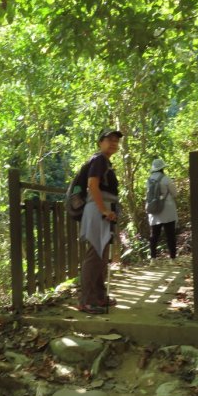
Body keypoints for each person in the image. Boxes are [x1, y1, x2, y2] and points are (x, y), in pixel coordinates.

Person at [78, 128, 122, 314]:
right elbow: (92, 185)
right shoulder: (99, 159)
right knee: (95, 255)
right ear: (100, 142)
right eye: (109, 139)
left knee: (101, 255)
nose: (113, 142)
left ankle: (99, 296)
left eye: (116, 140)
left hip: (103, 210)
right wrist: (103, 209)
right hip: (98, 210)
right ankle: (86, 300)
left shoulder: (106, 162)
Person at [146, 158, 178, 264]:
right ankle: (172, 259)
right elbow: (175, 193)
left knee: (154, 235)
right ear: (162, 168)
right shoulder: (166, 179)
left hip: (154, 210)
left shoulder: (149, 180)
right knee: (170, 234)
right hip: (167, 209)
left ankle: (153, 259)